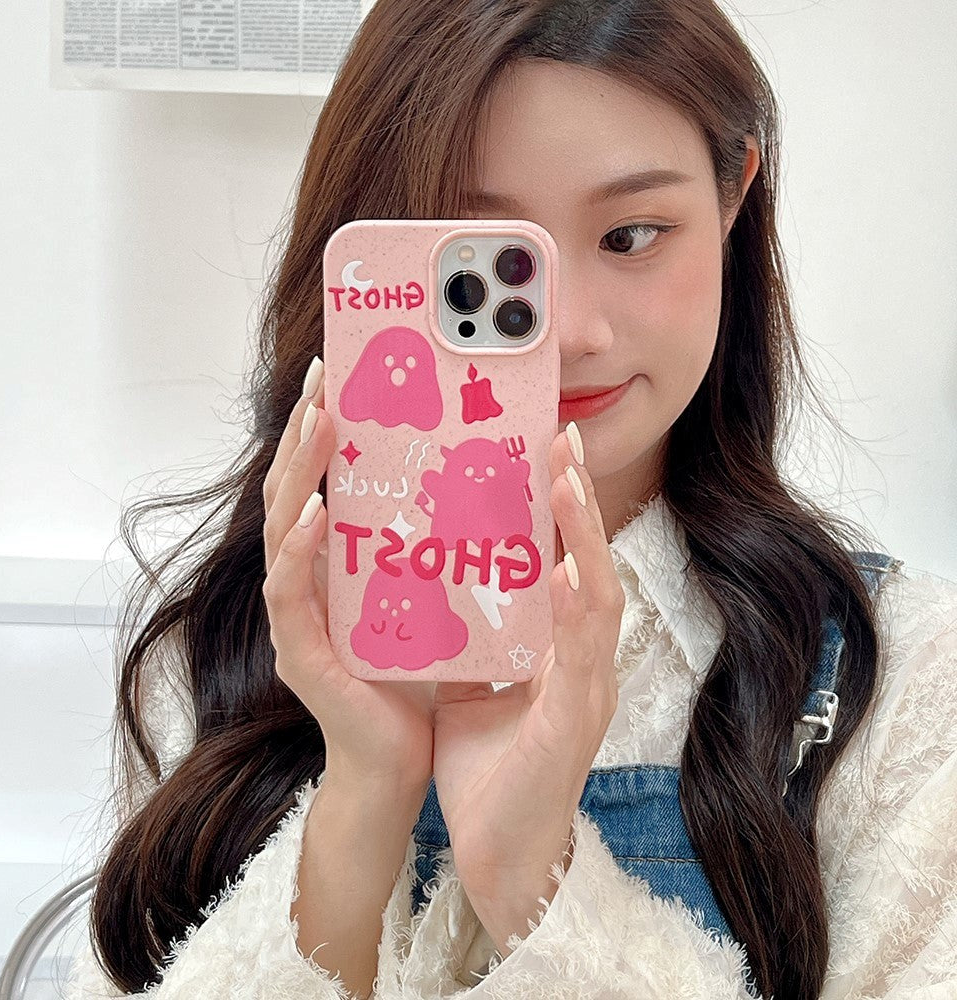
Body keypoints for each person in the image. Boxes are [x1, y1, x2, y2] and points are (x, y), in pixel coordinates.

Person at [64, 2, 957, 998]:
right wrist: (361, 802)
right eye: (482, 264)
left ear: (732, 198)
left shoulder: (899, 685)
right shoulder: (229, 649)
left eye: (631, 235)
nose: (565, 332)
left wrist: (534, 875)